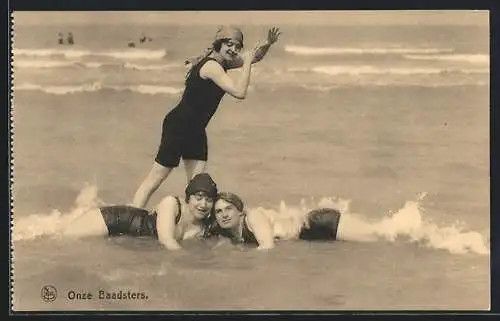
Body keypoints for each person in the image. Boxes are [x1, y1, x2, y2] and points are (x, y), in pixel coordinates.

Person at [131, 26, 281, 208]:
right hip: (178, 126)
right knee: (156, 178)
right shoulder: (212, 67)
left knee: (196, 187)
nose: (233, 50)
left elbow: (256, 57)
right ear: (219, 44)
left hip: (196, 130)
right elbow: (240, 92)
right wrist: (247, 63)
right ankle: (132, 217)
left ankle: (190, 224)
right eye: (229, 44)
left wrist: (267, 44)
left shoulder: (223, 63)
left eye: (237, 47)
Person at [62, 173, 218, 251]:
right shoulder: (172, 204)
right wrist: (187, 262)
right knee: (60, 241)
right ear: (188, 198)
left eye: (209, 200)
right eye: (198, 197)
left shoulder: (204, 227)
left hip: (123, 234)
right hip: (112, 219)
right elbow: (166, 239)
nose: (203, 204)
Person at [210, 192, 376, 250]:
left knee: (380, 237)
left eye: (228, 209)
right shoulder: (228, 232)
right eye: (219, 211)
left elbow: (267, 247)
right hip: (310, 238)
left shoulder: (253, 217)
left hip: (320, 223)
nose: (224, 215)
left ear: (240, 212)